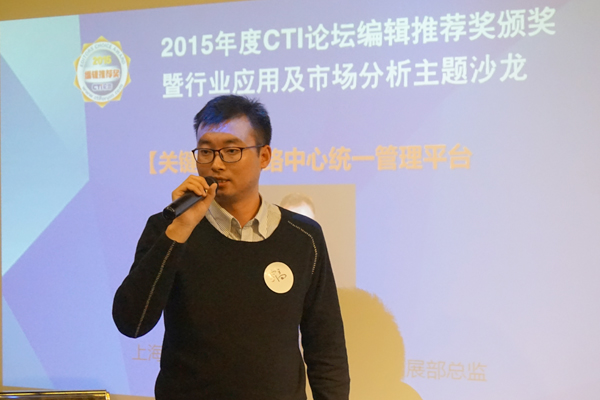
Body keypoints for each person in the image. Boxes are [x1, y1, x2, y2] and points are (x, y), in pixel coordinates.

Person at [112, 95, 350, 400]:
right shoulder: (168, 228)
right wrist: (180, 230)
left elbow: (326, 347)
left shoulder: (303, 237)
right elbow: (131, 322)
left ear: (264, 156)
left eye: (231, 151)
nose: (216, 164)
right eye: (206, 151)